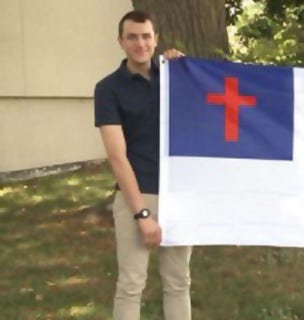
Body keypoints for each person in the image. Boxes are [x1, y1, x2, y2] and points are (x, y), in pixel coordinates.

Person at [94, 10, 192, 320]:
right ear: (121, 42)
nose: (141, 43)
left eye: (146, 36)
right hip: (136, 196)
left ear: (156, 40)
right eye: (132, 37)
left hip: (178, 194)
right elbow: (117, 157)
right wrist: (142, 214)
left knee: (179, 283)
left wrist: (185, 68)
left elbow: (202, 115)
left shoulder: (173, 78)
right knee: (132, 284)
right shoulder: (108, 89)